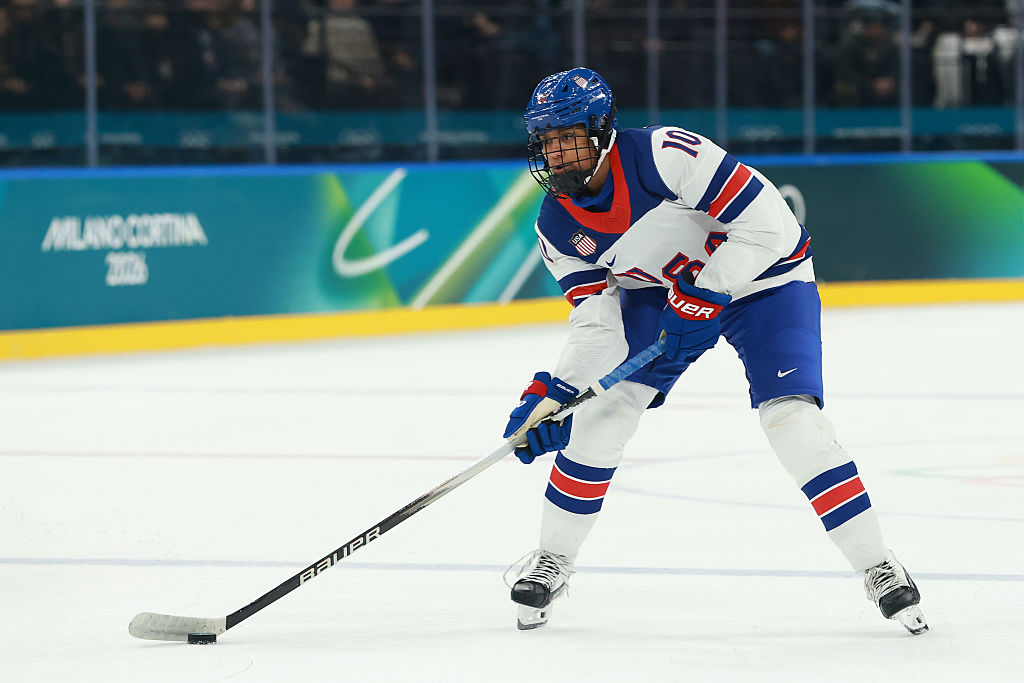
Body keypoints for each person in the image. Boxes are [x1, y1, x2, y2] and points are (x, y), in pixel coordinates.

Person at [500, 67, 928, 636]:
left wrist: (706, 294)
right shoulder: (555, 225)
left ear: (602, 130)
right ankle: (553, 558)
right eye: (546, 141)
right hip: (663, 297)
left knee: (793, 420)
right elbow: (596, 323)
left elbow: (770, 224)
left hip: (765, 283)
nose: (556, 153)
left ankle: (879, 565)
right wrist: (557, 392)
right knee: (599, 415)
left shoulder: (666, 156)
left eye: (567, 136)